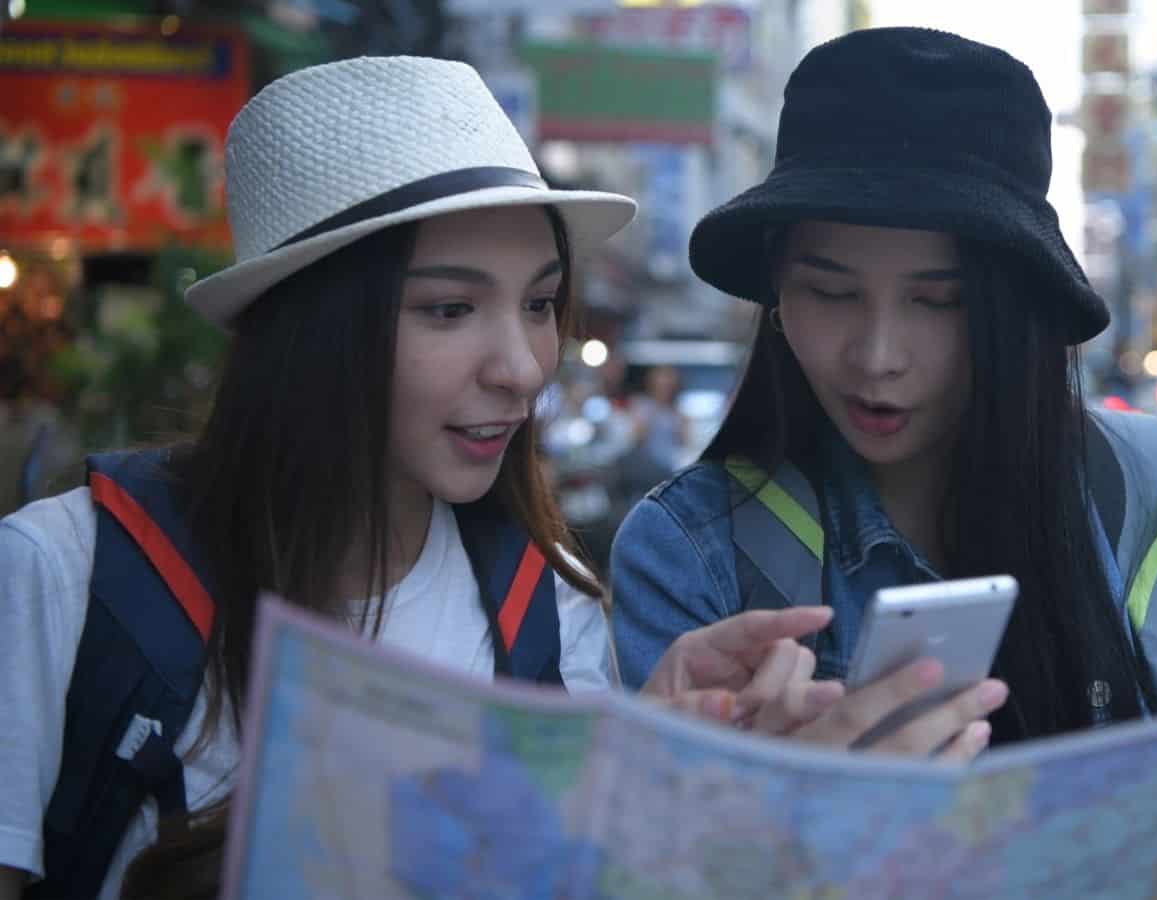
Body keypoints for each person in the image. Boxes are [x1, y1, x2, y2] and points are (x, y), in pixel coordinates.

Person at [609, 27, 1157, 900]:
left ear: (1015, 311)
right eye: (830, 291)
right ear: (774, 296)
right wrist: (765, 835)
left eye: (941, 301)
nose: (878, 354)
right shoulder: (689, 550)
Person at [0, 57, 882, 900]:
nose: (522, 367)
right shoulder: (66, 576)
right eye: (449, 309)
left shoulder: (551, 613)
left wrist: (631, 779)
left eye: (539, 305)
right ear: (310, 333)